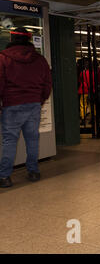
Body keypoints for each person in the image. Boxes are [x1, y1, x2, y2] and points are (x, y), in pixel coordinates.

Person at [0, 27, 52, 188]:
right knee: (32, 139)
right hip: (33, 104)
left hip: (11, 105)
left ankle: (4, 177)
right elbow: (47, 83)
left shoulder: (3, 58)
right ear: (28, 39)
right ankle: (33, 171)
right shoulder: (40, 59)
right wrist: (40, 99)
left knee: (9, 141)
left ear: (11, 39)